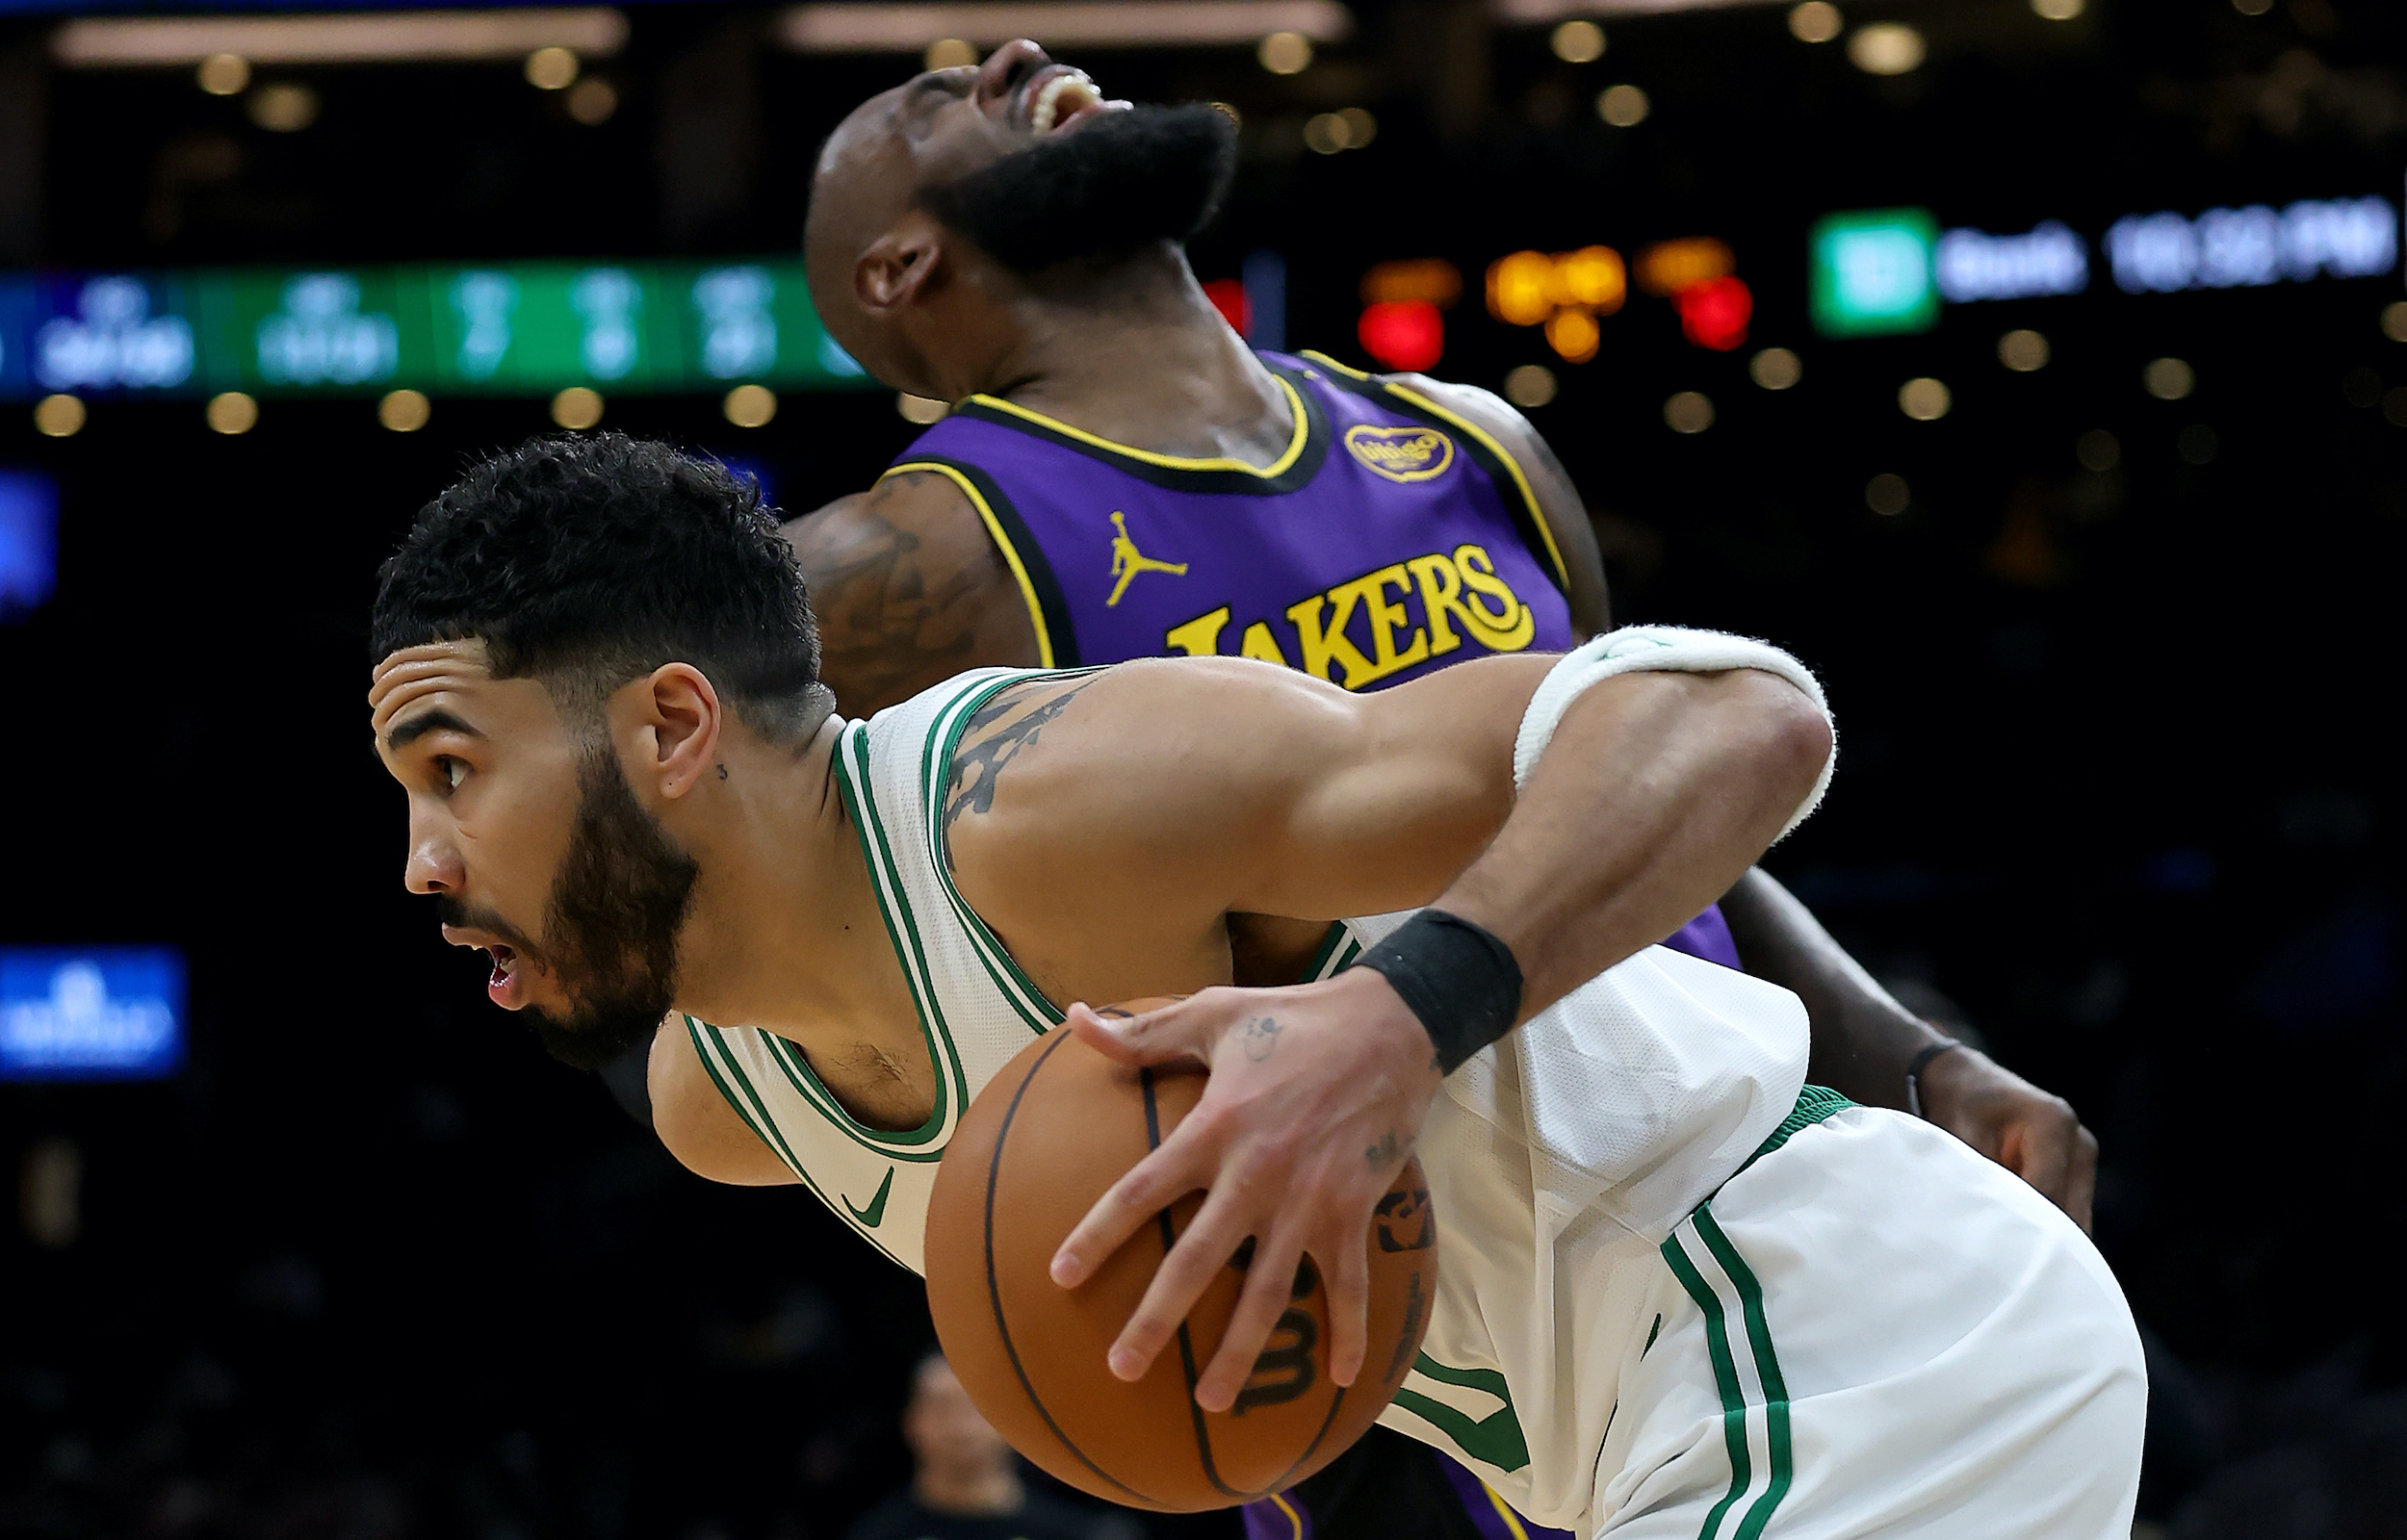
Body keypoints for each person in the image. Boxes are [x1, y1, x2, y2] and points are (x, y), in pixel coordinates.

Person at [365, 433, 2146, 1537]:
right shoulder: (727, 1108)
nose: (422, 864)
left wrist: (1393, 1026)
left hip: (1838, 1335)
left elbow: (1735, 711)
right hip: (1632, 1459)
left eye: (454, 771)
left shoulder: (1050, 803)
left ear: (673, 726)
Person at [785, 44, 2097, 1540]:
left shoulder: (1468, 436)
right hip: (1453, 1374)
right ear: (901, 266)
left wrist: (1913, 1058)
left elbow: (1641, 816)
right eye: (934, 99)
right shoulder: (910, 574)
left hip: (1780, 1209)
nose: (1016, 56)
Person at [848, 1354, 1099, 1540]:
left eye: (976, 1409)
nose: (961, 1428)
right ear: (911, 1423)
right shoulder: (876, 1532)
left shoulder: (1072, 1532)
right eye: (942, 1409)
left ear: (1011, 1423)